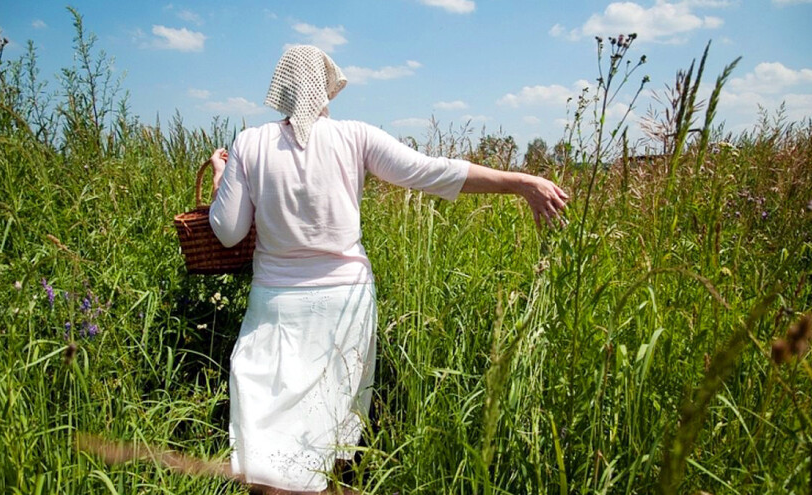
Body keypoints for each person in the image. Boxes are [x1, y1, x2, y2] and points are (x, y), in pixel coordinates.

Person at [208, 45, 568, 495]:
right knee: (330, 423)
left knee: (267, 420)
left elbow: (226, 231)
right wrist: (521, 182)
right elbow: (433, 172)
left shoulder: (249, 142)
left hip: (276, 305)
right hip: (345, 303)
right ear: (324, 90)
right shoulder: (355, 136)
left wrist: (222, 176)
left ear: (281, 89)